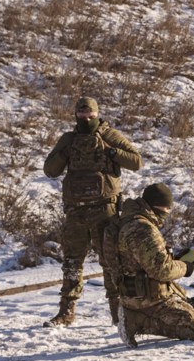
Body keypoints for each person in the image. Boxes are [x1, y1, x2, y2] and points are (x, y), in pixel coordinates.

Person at [42, 96, 143, 327]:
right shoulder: (69, 139)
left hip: (104, 210)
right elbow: (50, 170)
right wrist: (64, 153)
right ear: (75, 115)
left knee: (110, 262)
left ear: (98, 114)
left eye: (91, 115)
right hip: (76, 212)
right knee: (71, 262)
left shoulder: (110, 135)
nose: (87, 119)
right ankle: (66, 312)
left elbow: (136, 162)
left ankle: (118, 313)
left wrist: (112, 153)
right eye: (82, 115)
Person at [108, 183, 194, 348]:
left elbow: (138, 262)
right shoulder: (142, 228)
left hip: (132, 295)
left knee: (190, 304)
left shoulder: (124, 222)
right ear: (159, 206)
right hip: (150, 301)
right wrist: (185, 267)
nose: (167, 212)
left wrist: (174, 259)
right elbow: (161, 270)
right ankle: (138, 321)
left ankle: (134, 315)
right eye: (167, 208)